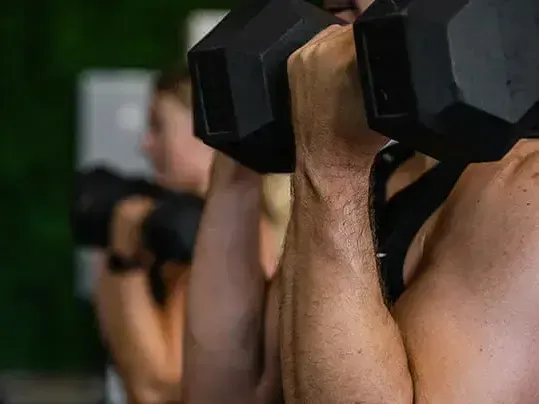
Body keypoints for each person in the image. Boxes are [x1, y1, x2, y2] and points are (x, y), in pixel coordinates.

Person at [280, 1, 539, 403]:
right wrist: (237, 174)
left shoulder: (526, 186)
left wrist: (332, 168)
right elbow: (228, 391)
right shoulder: (383, 168)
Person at [94, 67, 213, 404]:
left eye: (159, 126)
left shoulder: (216, 240)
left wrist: (124, 258)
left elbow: (155, 391)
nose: (146, 144)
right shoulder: (179, 232)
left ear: (205, 132)